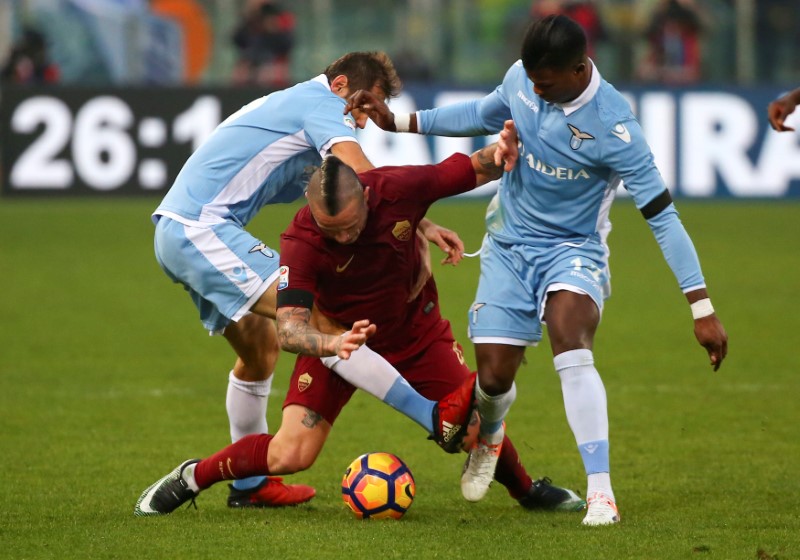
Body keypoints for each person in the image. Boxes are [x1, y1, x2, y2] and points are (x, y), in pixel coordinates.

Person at [347, 14, 729, 526]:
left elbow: (663, 216)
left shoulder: (616, 128)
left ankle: (601, 492)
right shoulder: (525, 81)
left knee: (570, 339)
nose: (533, 90)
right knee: (492, 376)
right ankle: (492, 435)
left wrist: (700, 307)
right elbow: (479, 114)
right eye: (529, 80)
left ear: (578, 69)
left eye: (544, 84)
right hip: (509, 243)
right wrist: (398, 122)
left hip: (574, 249)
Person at [135, 132, 586, 516]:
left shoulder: (399, 187)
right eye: (332, 231)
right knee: (292, 453)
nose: (343, 237)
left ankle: (526, 490)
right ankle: (193, 477)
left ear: (367, 197)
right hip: (343, 344)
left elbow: (478, 166)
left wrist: (509, 146)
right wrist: (332, 344)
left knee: (472, 423)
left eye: (350, 227)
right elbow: (290, 330)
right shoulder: (301, 240)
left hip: (415, 332)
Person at [150, 51, 466, 510]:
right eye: (362, 107)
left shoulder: (296, 113)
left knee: (260, 353)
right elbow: (368, 175)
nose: (361, 122)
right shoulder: (319, 105)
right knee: (321, 319)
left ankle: (250, 487)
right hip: (201, 230)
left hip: (185, 231)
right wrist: (420, 219)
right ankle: (431, 416)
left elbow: (355, 192)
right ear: (339, 86)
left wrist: (419, 223)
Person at [231, 0, 295, 88]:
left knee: (266, 73)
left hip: (273, 60)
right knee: (242, 71)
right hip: (252, 58)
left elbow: (286, 44)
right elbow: (238, 39)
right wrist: (250, 17)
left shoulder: (280, 17)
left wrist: (274, 29)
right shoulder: (251, 21)